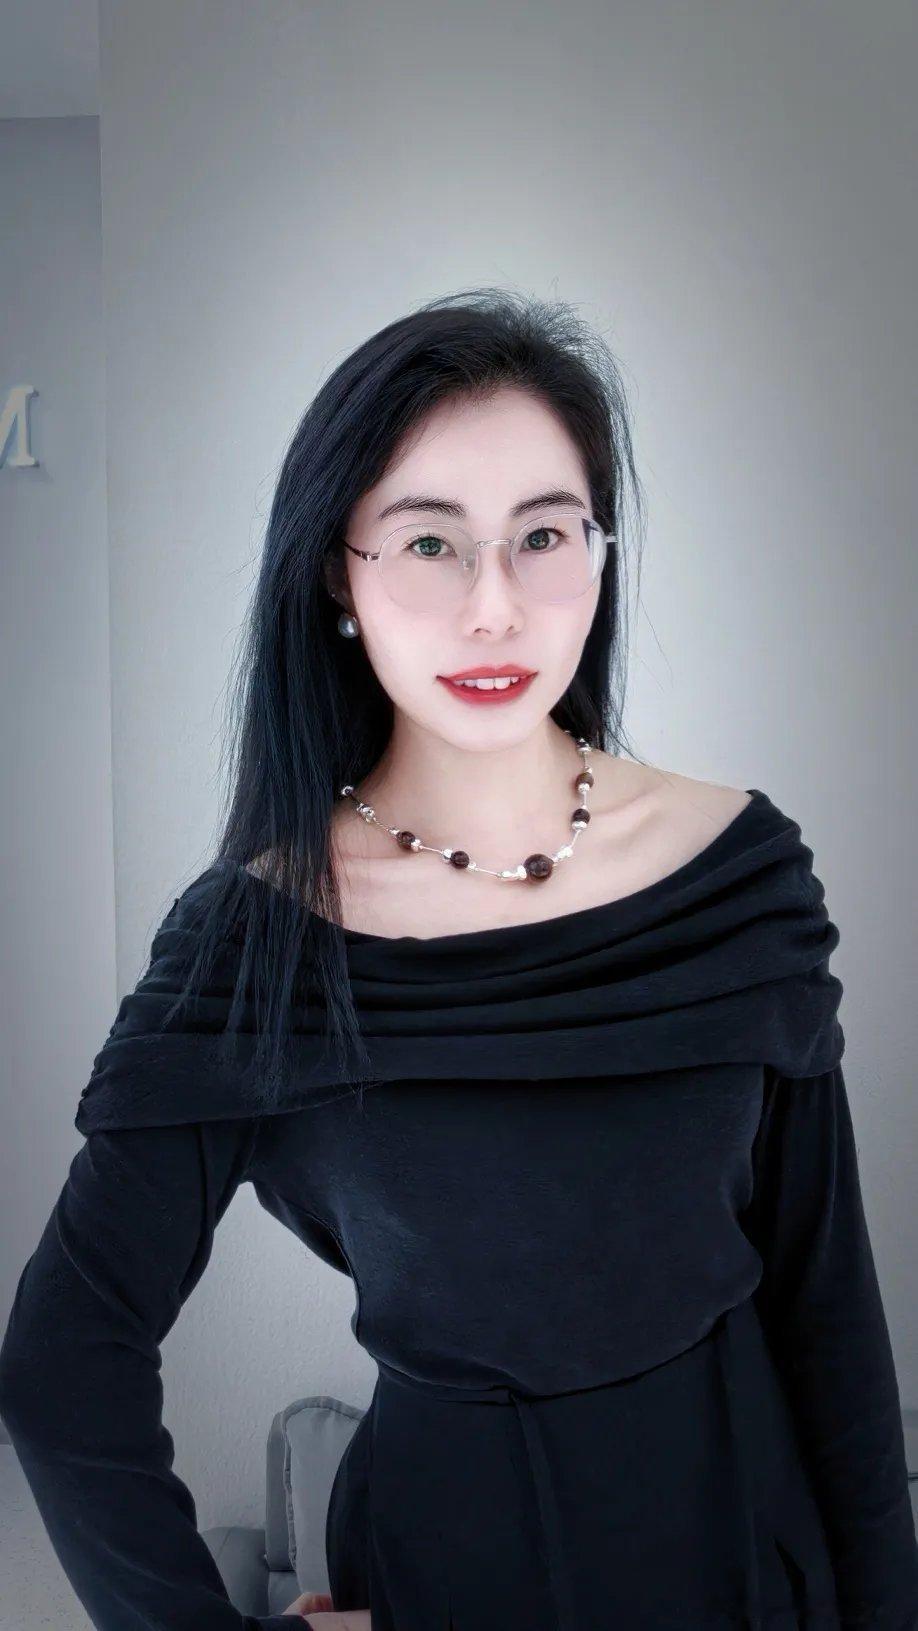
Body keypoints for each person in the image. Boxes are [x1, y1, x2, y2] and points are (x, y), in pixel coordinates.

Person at [1, 289, 916, 1631]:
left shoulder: (739, 871)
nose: (495, 608)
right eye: (429, 542)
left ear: (598, 555)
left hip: (750, 1560)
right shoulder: (256, 941)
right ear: (338, 572)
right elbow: (63, 1365)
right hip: (452, 1575)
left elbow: (829, 1311)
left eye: (542, 536)